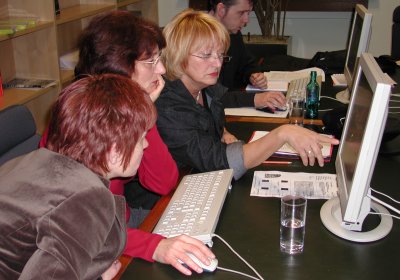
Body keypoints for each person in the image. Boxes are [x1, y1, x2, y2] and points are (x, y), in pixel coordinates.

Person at [39, 11, 215, 276]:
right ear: (119, 66)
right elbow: (83, 230)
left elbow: (163, 182)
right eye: (151, 61)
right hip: (95, 239)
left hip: (118, 225)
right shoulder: (83, 122)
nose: (162, 70)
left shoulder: (120, 111)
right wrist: (155, 247)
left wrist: (142, 111)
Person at [0, 74, 155, 279]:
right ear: (114, 150)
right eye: (141, 138)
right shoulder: (86, 198)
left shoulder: (39, 160)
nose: (146, 145)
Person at [156, 9, 339, 181]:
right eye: (206, 55)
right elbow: (218, 160)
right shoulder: (168, 106)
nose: (217, 64)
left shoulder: (203, 87)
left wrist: (222, 131)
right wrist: (283, 133)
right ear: (177, 56)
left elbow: (217, 106)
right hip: (160, 203)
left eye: (220, 55)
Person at [208, 0, 287, 110]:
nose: (246, 20)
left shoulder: (233, 35)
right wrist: (255, 99)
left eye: (248, 13)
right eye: (241, 13)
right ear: (221, 9)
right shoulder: (198, 39)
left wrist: (253, 76)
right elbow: (213, 96)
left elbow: (247, 64)